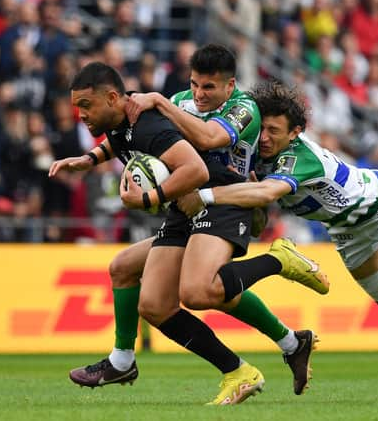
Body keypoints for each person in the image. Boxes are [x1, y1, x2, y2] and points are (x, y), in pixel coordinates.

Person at [59, 46, 326, 403]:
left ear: (230, 86)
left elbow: (208, 140)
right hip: (186, 203)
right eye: (195, 85)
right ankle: (277, 350)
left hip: (226, 199)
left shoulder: (242, 107)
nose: (199, 95)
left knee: (198, 292)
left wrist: (158, 103)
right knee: (152, 302)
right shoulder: (181, 99)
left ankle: (280, 261)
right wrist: (90, 158)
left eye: (209, 88)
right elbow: (130, 132)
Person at [177, 81, 378, 336]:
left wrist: (205, 196)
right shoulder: (256, 156)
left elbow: (269, 190)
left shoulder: (300, 156)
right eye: (262, 129)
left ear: (294, 132)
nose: (264, 137)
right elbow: (258, 220)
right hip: (345, 227)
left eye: (273, 130)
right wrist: (249, 200)